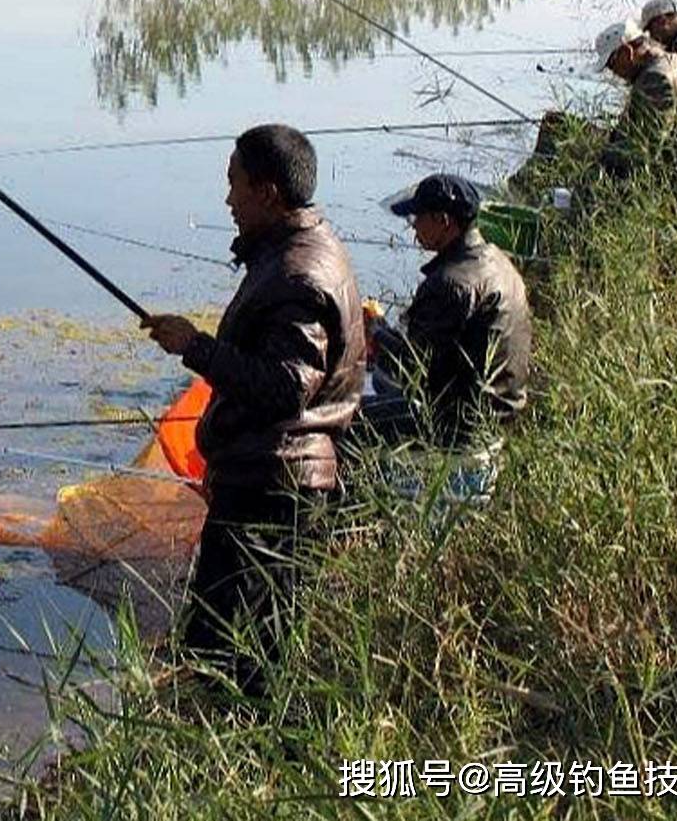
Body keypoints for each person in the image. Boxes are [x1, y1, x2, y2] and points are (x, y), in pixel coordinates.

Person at [141, 124, 365, 693]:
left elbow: (285, 389)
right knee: (239, 653)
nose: (228, 200)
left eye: (234, 184)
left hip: (272, 491)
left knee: (232, 657)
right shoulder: (296, 253)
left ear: (267, 191)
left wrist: (196, 347)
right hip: (270, 480)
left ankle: (230, 763)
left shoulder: (298, 274)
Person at [363, 174, 532, 474]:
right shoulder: (496, 259)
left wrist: (375, 330)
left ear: (443, 221)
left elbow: (412, 369)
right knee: (379, 380)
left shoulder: (451, 283)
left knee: (346, 420)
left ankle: (343, 498)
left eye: (418, 218)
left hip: (460, 426)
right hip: (501, 410)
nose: (413, 226)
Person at [595, 18, 677, 195]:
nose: (613, 72)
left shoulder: (655, 79)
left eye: (612, 64)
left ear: (627, 53)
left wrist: (604, 159)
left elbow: (645, 149)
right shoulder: (672, 60)